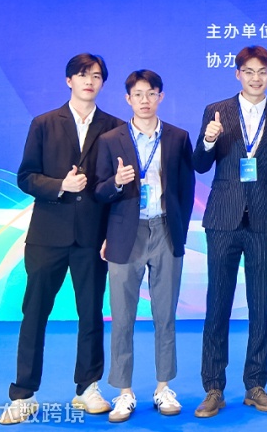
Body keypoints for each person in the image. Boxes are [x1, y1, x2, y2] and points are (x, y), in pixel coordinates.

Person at [0, 53, 123, 424]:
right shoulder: (43, 123)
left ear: (102, 83)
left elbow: (114, 187)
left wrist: (111, 234)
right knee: (35, 314)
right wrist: (60, 186)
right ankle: (23, 394)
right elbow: (26, 177)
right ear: (69, 80)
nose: (89, 81)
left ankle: (87, 388)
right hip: (47, 236)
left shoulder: (115, 127)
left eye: (96, 76)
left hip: (92, 238)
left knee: (91, 314)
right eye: (82, 75)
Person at [192, 46, 267, 418]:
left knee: (261, 307)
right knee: (217, 305)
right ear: (237, 74)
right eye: (248, 71)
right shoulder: (216, 111)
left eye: (262, 71)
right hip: (223, 219)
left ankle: (255, 384)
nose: (255, 78)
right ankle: (213, 387)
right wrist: (208, 139)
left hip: (265, 222)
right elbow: (199, 164)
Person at [94, 70, 195, 421]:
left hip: (165, 229)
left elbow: (186, 189)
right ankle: (124, 391)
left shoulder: (178, 137)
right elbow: (98, 191)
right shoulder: (111, 139)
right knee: (122, 317)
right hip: (126, 233)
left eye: (151, 93)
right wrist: (116, 182)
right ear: (128, 99)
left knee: (165, 315)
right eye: (138, 94)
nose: (145, 100)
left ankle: (163, 387)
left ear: (161, 97)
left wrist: (179, 232)